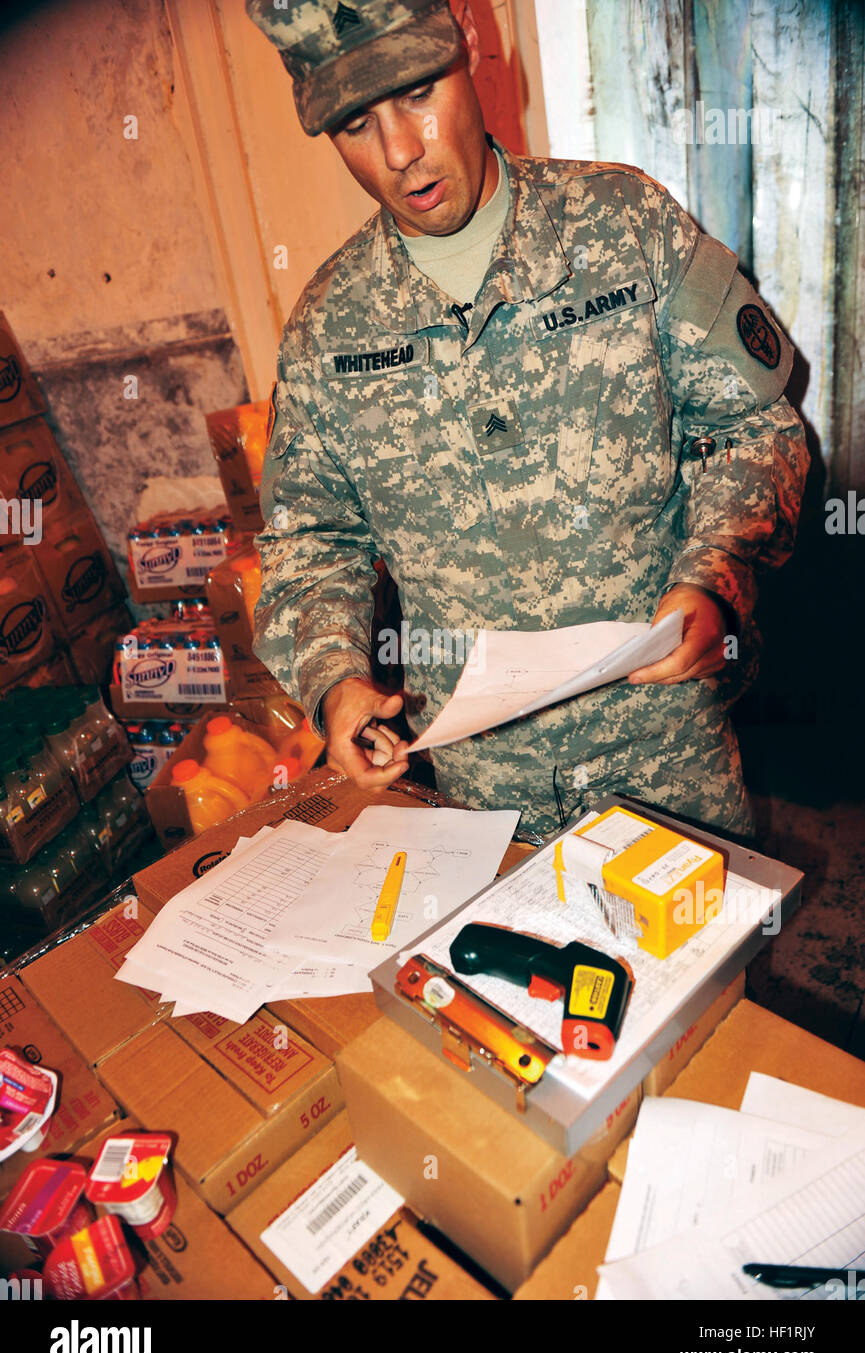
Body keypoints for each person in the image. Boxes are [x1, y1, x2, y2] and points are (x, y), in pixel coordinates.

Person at [246, 0, 809, 841]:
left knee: (706, 972)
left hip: (666, 756)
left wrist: (713, 578)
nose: (400, 152)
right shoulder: (331, 328)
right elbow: (311, 541)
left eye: (416, 94)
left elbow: (753, 429)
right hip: (484, 799)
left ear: (469, 48)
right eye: (357, 125)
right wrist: (335, 682)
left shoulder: (624, 226)